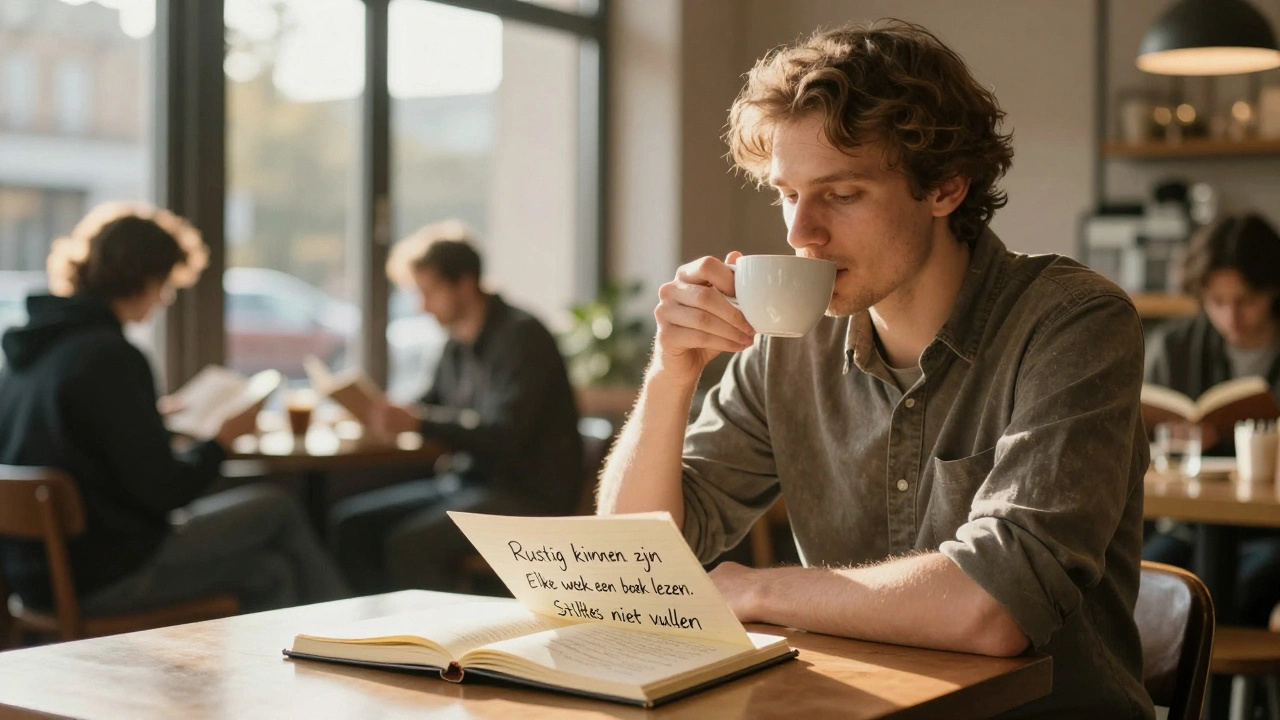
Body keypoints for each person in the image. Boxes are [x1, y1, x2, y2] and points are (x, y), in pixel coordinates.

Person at [596, 21, 1152, 718]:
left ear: (947, 186)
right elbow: (630, 566)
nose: (801, 233)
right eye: (788, 193)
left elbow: (996, 608)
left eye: (842, 194)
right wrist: (670, 376)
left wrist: (755, 590)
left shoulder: (1072, 323)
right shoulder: (789, 343)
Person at [0, 202, 349, 615]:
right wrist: (220, 440)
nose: (165, 298)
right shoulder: (113, 357)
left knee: (271, 571)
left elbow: (77, 440)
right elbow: (165, 492)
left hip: (33, 575)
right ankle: (352, 635)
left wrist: (153, 421)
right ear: (144, 278)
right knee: (276, 508)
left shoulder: (31, 353)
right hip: (106, 571)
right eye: (164, 284)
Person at [328, 221, 582, 593]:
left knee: (409, 542)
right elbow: (430, 404)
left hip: (526, 494)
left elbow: (503, 433)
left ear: (464, 284)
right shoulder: (456, 343)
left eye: (429, 292)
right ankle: (370, 629)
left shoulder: (522, 337)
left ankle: (429, 642)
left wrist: (419, 422)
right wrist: (391, 415)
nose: (422, 305)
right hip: (469, 484)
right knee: (350, 524)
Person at [1144, 212, 1280, 627]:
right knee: (1137, 595)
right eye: (1217, 303)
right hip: (1185, 526)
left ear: (1273, 290)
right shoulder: (1176, 346)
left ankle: (1220, 692)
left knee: (1227, 599)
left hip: (1269, 534)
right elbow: (1140, 442)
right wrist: (1175, 437)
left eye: (1246, 302)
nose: (1231, 318)